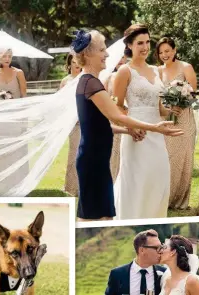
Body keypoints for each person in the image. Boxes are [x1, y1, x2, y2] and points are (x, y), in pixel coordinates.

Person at [71, 29, 183, 221]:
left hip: (95, 158)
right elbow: (117, 114)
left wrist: (127, 130)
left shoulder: (89, 82)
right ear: (88, 54)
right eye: (102, 50)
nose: (107, 54)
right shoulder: (91, 84)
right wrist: (154, 128)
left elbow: (97, 125)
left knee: (100, 216)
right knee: (93, 217)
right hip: (93, 159)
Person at [113, 24, 176, 220]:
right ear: (130, 45)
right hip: (136, 135)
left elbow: (160, 108)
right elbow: (117, 105)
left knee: (158, 178)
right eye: (140, 43)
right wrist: (130, 127)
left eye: (148, 42)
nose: (145, 47)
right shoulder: (125, 71)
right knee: (136, 180)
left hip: (157, 133)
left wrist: (174, 106)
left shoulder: (156, 71)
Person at [157, 37, 198, 210]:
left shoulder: (186, 67)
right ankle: (163, 198)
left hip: (184, 118)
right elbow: (157, 95)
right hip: (166, 119)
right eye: (160, 52)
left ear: (174, 50)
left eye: (167, 51)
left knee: (182, 158)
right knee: (165, 158)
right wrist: (167, 107)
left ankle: (179, 200)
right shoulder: (158, 71)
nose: (164, 55)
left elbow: (194, 94)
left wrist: (181, 103)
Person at [0, 47, 29, 195]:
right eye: (4, 56)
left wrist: (25, 118)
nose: (7, 59)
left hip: (17, 118)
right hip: (1, 120)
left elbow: (24, 96)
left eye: (9, 56)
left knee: (17, 150)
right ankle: (2, 185)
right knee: (1, 152)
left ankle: (18, 184)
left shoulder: (19, 73)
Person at [103, 54, 130, 184]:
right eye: (118, 57)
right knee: (114, 152)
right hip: (114, 118)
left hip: (130, 117)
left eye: (123, 57)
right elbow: (105, 98)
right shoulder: (108, 77)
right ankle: (113, 180)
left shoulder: (131, 74)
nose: (120, 59)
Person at [60, 54, 82, 197]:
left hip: (85, 120)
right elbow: (61, 102)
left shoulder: (85, 78)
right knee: (73, 153)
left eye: (78, 62)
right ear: (69, 64)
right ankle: (71, 186)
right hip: (72, 123)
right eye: (73, 62)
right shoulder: (65, 81)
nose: (76, 65)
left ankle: (83, 186)